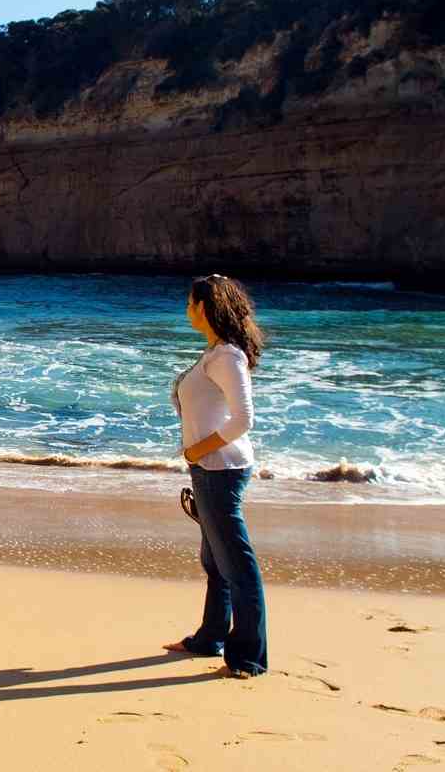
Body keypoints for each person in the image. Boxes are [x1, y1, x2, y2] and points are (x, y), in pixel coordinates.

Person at [163, 274, 268, 678]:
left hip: (221, 468)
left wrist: (197, 451)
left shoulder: (226, 356)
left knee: (237, 564)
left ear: (204, 308)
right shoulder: (214, 353)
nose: (187, 309)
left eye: (190, 303)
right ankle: (210, 638)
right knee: (216, 561)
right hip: (208, 468)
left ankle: (249, 658)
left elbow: (244, 419)